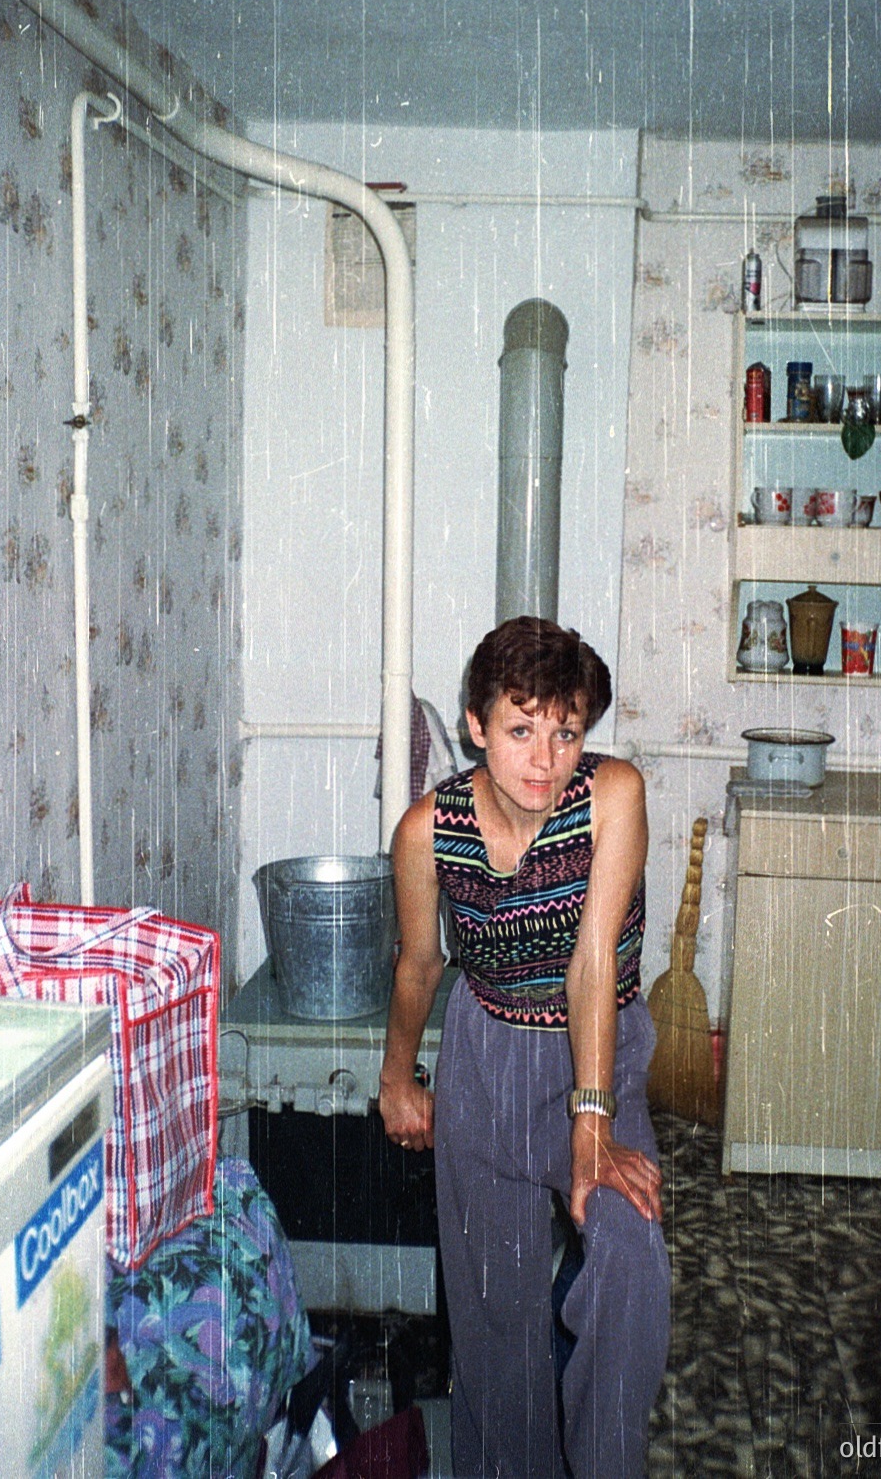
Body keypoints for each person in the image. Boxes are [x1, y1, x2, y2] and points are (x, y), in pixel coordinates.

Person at [379, 616, 671, 1479]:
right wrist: (399, 1079)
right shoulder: (428, 832)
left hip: (598, 1060)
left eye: (566, 731)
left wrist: (592, 1127)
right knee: (495, 1324)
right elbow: (419, 965)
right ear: (475, 724)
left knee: (630, 1261)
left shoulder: (613, 796)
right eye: (520, 728)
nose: (546, 759)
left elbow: (591, 962)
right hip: (481, 1059)